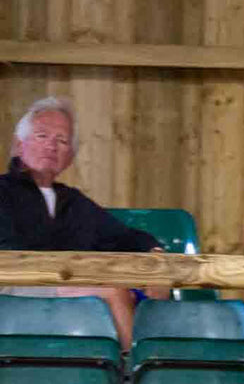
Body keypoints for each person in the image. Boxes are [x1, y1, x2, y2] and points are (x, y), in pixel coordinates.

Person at [0, 96, 166, 348]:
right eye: (42, 136)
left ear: (69, 157)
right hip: (12, 287)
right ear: (19, 145)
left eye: (62, 140)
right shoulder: (2, 191)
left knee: (136, 292)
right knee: (113, 292)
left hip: (64, 286)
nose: (51, 146)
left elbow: (126, 237)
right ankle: (134, 377)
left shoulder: (73, 202)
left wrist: (157, 262)